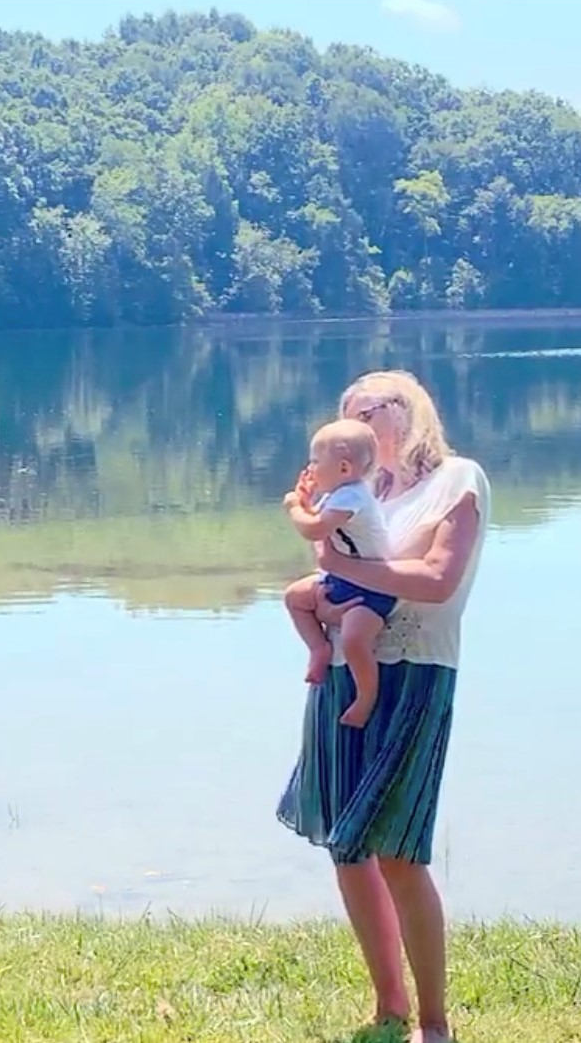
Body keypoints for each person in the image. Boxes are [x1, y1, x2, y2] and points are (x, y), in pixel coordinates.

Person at [276, 369, 491, 1043]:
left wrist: (348, 579)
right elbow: (328, 562)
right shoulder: (359, 491)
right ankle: (389, 1006)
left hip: (416, 672)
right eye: (350, 408)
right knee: (348, 847)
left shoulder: (458, 479)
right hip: (345, 672)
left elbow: (436, 580)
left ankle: (434, 1022)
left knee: (398, 849)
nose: (361, 415)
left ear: (411, 411)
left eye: (375, 405)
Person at [282, 418, 398, 729]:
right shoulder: (336, 495)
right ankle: (319, 647)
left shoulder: (353, 496)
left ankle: (365, 696)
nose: (310, 468)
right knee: (295, 598)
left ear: (345, 468)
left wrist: (294, 507)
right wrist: (308, 502)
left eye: (316, 461)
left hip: (372, 587)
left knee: (354, 639)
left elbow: (315, 529)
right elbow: (319, 521)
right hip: (342, 579)